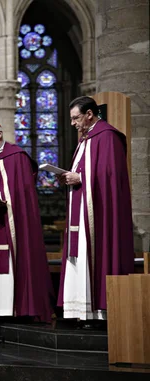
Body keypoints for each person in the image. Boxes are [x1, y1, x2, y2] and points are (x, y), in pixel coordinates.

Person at [57, 96, 134, 320]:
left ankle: (98, 312)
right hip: (80, 212)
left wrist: (79, 177)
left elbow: (111, 176)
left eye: (76, 118)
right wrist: (69, 178)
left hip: (99, 215)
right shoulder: (85, 139)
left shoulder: (108, 136)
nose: (73, 123)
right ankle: (81, 311)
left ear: (89, 114)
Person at [0, 120, 53, 322]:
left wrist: (1, 197)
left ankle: (19, 309)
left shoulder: (17, 157)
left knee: (15, 261)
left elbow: (23, 192)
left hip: (13, 220)